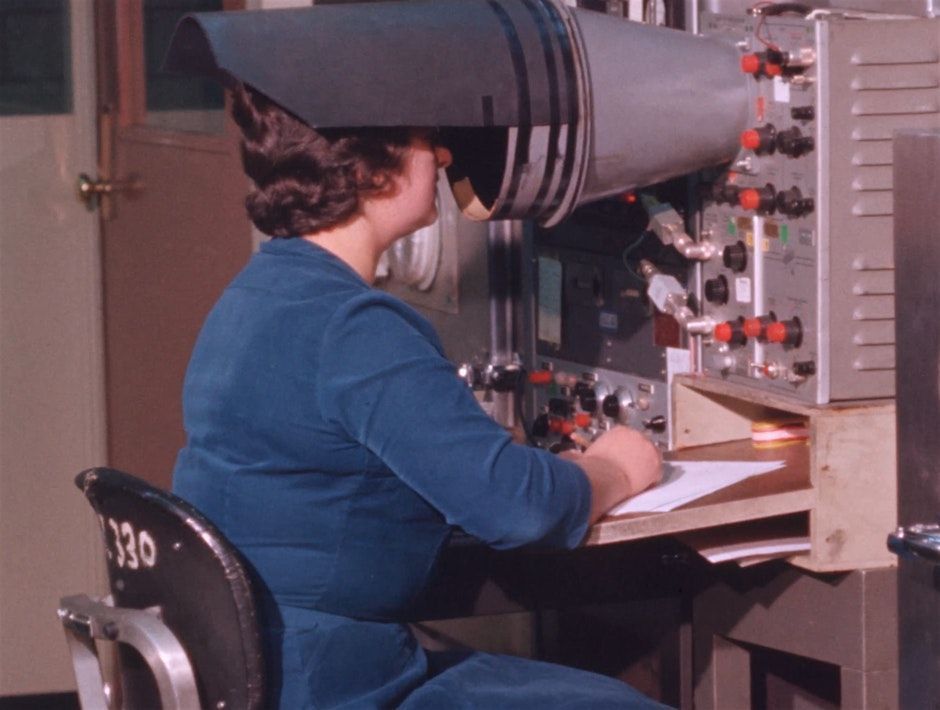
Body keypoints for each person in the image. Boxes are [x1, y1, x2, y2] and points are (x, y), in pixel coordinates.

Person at [172, 83, 666, 709]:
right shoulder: (355, 327)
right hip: (336, 683)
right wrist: (617, 468)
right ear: (369, 170)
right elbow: (518, 508)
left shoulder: (256, 293)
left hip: (263, 668)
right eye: (427, 140)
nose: (444, 158)